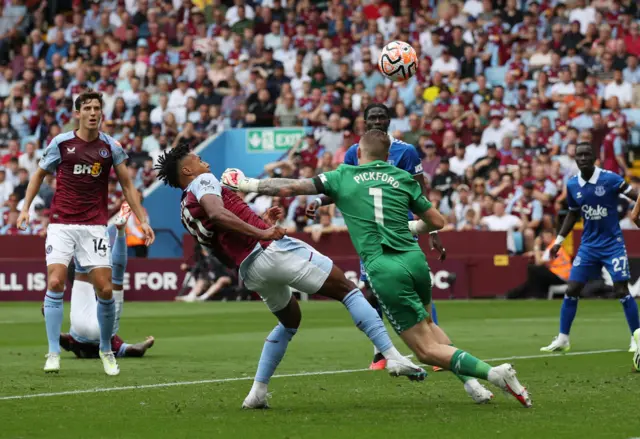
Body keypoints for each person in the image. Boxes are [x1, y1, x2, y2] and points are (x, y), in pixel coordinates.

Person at [225, 129, 532, 408]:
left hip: (385, 268)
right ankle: (471, 384)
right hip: (415, 261)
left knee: (424, 350)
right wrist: (405, 226)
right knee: (429, 325)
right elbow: (438, 222)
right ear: (388, 156)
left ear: (359, 152)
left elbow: (291, 187)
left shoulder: (344, 175)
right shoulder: (402, 178)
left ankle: (495, 374)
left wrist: (248, 184)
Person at [155, 143, 426, 410]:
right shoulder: (203, 181)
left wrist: (259, 222)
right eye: (200, 160)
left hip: (250, 268)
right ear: (189, 170)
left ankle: (257, 393)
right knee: (348, 289)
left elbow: (220, 244)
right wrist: (262, 233)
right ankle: (392, 356)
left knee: (290, 321)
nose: (206, 164)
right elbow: (218, 212)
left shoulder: (185, 209)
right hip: (270, 250)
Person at [17, 90, 155, 375]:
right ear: (77, 113)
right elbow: (38, 174)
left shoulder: (110, 147)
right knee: (55, 282)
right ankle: (53, 352)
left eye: (97, 108)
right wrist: (25, 208)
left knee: (105, 289)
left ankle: (106, 349)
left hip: (94, 226)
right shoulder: (61, 143)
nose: (93, 112)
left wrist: (142, 220)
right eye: (88, 108)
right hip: (61, 224)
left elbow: (128, 186)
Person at [306, 103, 446, 371]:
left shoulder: (405, 151)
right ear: (365, 121)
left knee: (415, 289)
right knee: (372, 293)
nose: (378, 120)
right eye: (373, 117)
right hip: (369, 233)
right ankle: (380, 352)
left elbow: (420, 191)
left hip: (400, 229)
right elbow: (339, 186)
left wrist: (433, 230)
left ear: (389, 120)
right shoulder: (354, 152)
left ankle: (436, 348)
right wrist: (318, 200)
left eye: (382, 116)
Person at [541, 143, 640, 362]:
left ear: (595, 157)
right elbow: (572, 214)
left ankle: (636, 337)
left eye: (587, 154)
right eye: (579, 155)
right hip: (588, 246)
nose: (583, 158)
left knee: (621, 290)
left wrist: (635, 214)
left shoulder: (610, 179)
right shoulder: (573, 184)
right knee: (573, 287)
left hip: (612, 244)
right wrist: (558, 241)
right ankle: (563, 339)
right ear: (575, 159)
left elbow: (636, 196)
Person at [55, 203, 155, 358]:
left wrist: (143, 345)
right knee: (85, 272)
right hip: (85, 330)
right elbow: (60, 337)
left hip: (86, 331)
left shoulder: (113, 345)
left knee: (116, 277)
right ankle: (100, 229)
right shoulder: (74, 343)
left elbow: (134, 350)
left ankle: (118, 231)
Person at [506, 230, 571, 299]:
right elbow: (546, 255)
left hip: (561, 277)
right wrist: (537, 252)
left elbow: (538, 263)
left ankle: (533, 295)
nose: (546, 238)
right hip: (565, 276)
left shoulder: (552, 247)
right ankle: (519, 294)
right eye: (545, 236)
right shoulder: (555, 245)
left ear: (553, 236)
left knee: (533, 269)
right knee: (536, 276)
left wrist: (536, 246)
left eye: (548, 236)